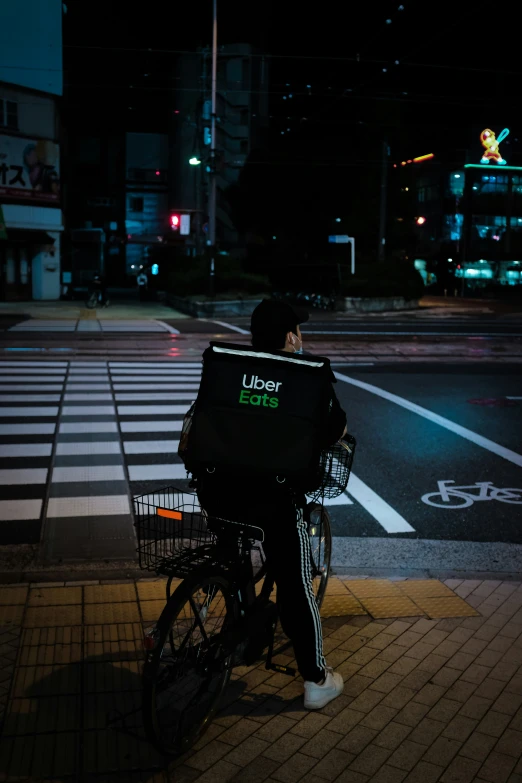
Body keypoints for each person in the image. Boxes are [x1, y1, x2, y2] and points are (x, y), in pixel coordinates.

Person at [196, 298, 347, 709]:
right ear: (290, 336)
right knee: (296, 582)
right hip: (273, 501)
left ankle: (244, 633)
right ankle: (316, 680)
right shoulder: (306, 375)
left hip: (218, 491)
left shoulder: (225, 364)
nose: (301, 338)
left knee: (232, 552)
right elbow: (335, 428)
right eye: (297, 331)